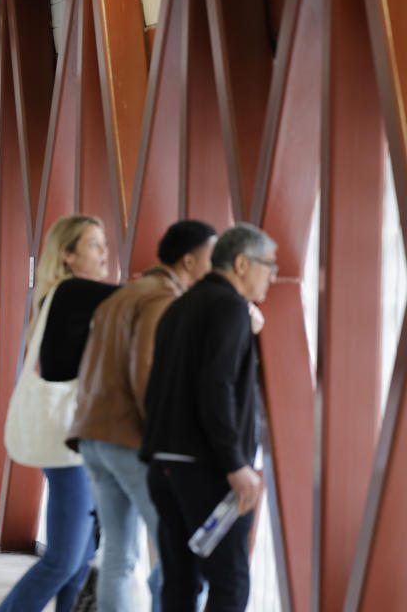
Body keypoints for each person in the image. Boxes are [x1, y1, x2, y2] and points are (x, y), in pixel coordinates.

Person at [66, 220, 217, 611]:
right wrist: (166, 438)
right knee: (175, 552)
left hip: (93, 435)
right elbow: (147, 368)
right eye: (211, 257)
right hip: (129, 438)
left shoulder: (124, 295)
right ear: (189, 260)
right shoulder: (163, 297)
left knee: (119, 552)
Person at [140, 223, 276, 612]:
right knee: (229, 581)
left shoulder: (180, 305)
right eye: (268, 266)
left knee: (180, 582)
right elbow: (217, 388)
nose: (272, 276)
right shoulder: (230, 307)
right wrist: (235, 463)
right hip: (207, 472)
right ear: (241, 264)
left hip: (165, 464)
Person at [0, 215, 119, 612]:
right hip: (70, 441)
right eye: (94, 245)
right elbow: (139, 297)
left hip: (76, 439)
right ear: (67, 255)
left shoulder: (59, 296)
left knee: (79, 562)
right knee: (63, 560)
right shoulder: (73, 292)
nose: (104, 252)